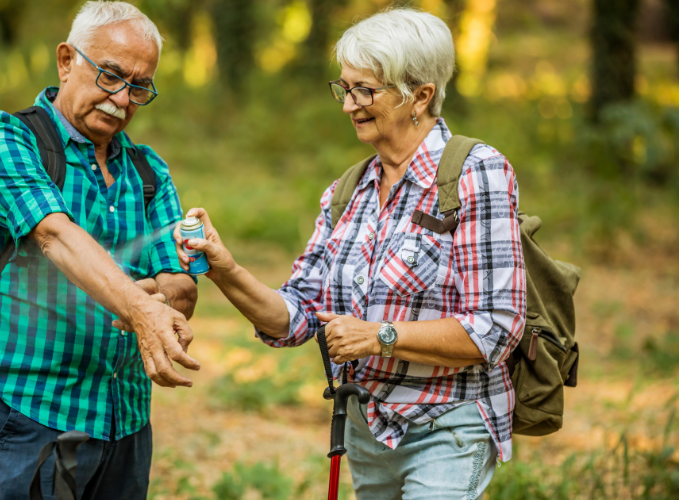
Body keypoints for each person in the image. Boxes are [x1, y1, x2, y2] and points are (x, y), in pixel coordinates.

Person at [172, 8, 525, 500]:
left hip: (448, 424)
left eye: (366, 91)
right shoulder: (348, 192)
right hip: (366, 426)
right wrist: (224, 269)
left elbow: (497, 325)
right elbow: (294, 319)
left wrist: (378, 336)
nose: (348, 105)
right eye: (345, 88)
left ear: (420, 94)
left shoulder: (476, 173)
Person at [0, 2, 198, 499]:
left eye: (139, 86)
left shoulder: (150, 171)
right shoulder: (6, 138)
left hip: (125, 417)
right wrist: (140, 306)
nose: (121, 98)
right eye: (110, 75)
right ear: (67, 61)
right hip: (27, 410)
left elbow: (182, 287)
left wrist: (157, 294)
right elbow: (55, 235)